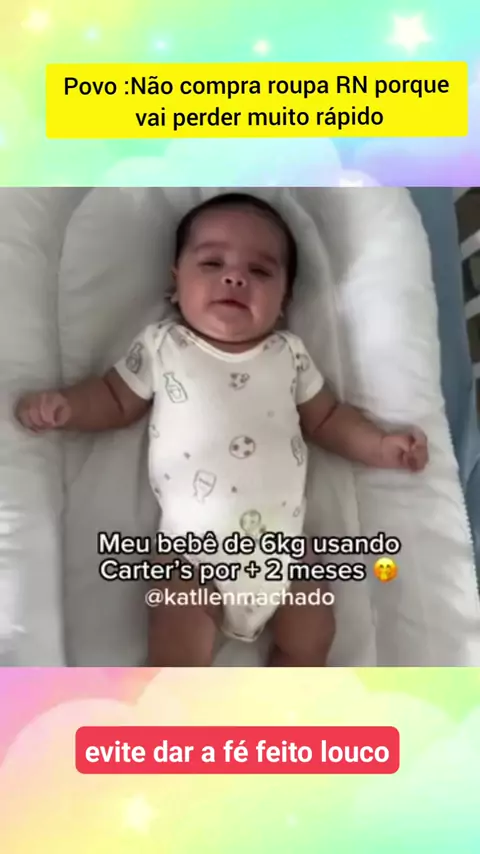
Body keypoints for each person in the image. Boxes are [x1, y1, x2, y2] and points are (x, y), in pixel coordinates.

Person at [14, 192, 428, 667]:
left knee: (315, 625)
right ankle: (178, 701)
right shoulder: (164, 346)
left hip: (284, 556)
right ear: (176, 283)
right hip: (192, 558)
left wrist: (381, 445)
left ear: (285, 300)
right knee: (177, 626)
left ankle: (291, 694)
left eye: (260, 271)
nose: (234, 277)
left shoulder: (289, 355)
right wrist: (68, 406)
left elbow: (329, 418)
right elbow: (114, 398)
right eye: (212, 263)